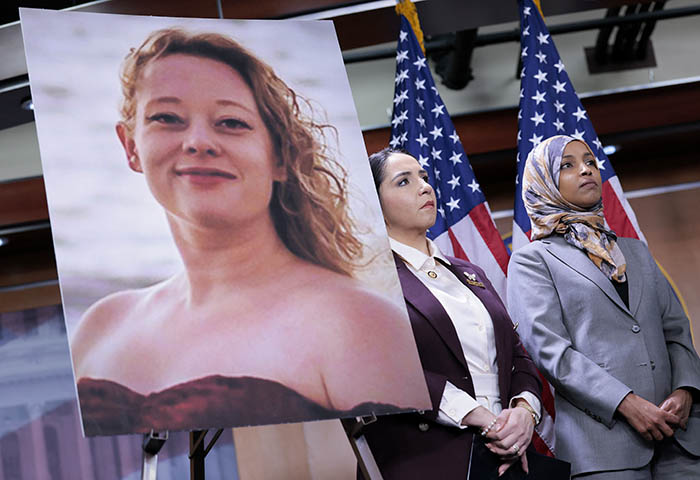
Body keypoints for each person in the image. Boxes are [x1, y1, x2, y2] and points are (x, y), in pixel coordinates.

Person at [70, 28, 429, 436]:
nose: (198, 142)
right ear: (130, 146)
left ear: (280, 156)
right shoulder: (100, 326)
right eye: (166, 118)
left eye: (231, 122)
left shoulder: (359, 323)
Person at [507, 134, 700, 479]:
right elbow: (551, 352)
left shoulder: (635, 250)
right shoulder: (532, 261)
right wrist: (626, 402)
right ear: (543, 182)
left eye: (590, 162)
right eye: (567, 165)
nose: (586, 170)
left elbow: (676, 330)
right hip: (603, 449)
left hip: (679, 436)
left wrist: (685, 388)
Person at [361, 148, 543, 479]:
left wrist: (524, 412)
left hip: (508, 454)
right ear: (375, 205)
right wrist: (479, 416)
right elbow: (382, 366)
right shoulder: (365, 281)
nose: (424, 187)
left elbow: (517, 355)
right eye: (404, 181)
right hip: (428, 457)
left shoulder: (470, 272)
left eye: (424, 177)